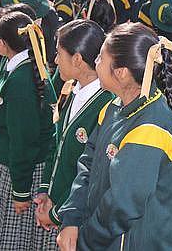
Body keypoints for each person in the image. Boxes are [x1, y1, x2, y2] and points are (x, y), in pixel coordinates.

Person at [56, 23, 172, 251]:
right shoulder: (114, 106)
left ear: (121, 73)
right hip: (98, 235)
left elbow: (122, 206)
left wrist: (84, 240)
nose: (96, 63)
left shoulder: (151, 127)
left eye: (100, 58)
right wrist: (71, 218)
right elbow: (87, 164)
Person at [0, 11, 56, 250]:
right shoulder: (14, 64)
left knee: (18, 239)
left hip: (21, 171)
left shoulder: (21, 82)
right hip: (11, 162)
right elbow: (1, 118)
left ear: (2, 43)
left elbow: (24, 141)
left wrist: (20, 192)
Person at [35, 20, 114, 232]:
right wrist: (45, 189)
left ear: (77, 59)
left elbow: (92, 173)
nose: (55, 60)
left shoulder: (106, 104)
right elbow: (58, 143)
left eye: (59, 54)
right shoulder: (73, 90)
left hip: (76, 217)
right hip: (56, 204)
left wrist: (58, 210)